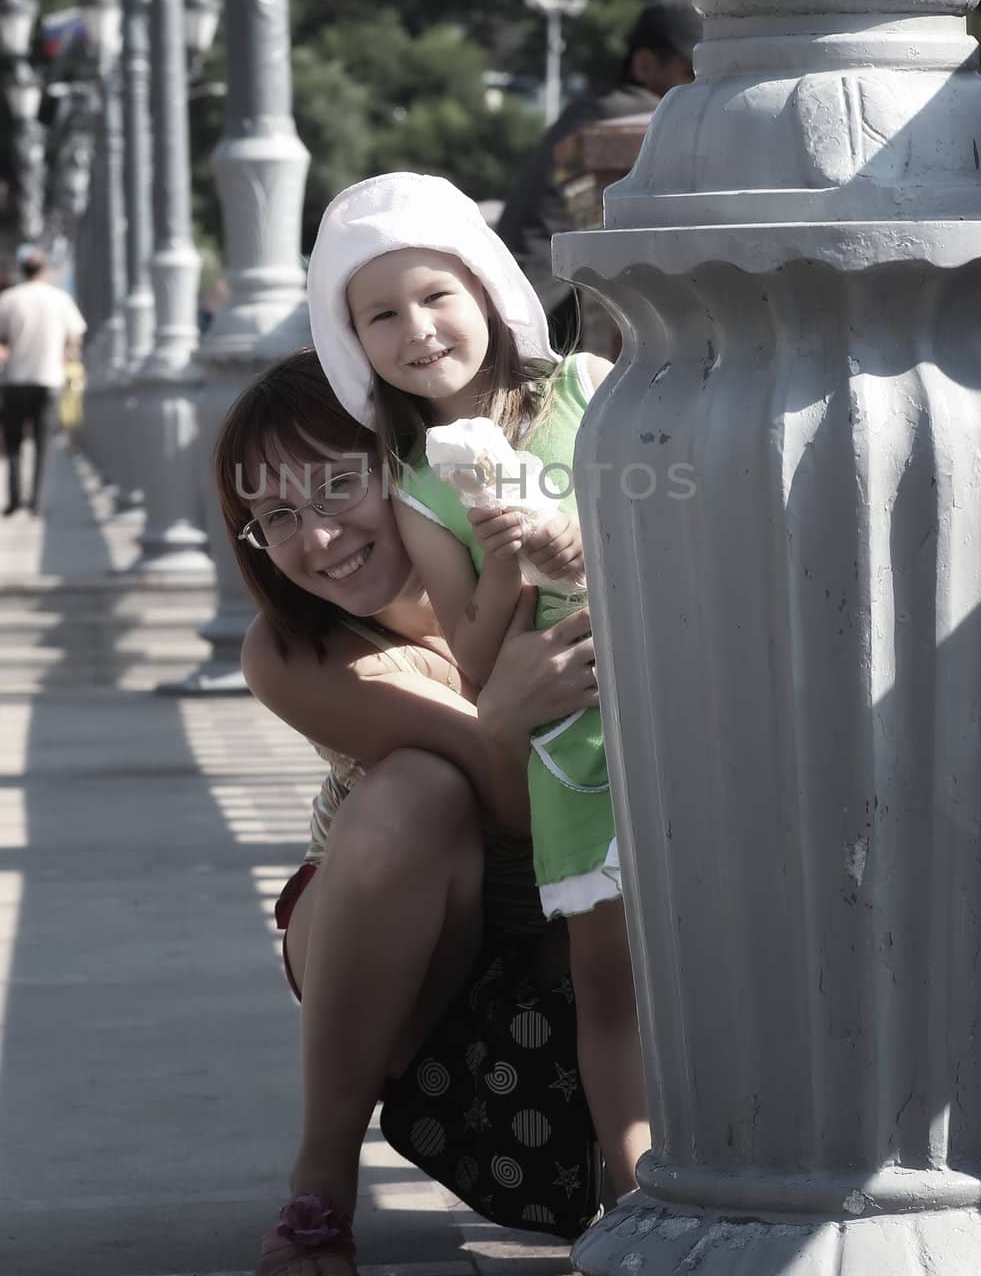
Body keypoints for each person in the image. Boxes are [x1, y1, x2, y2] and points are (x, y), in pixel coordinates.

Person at [214, 350, 609, 1276]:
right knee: (419, 790)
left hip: (567, 945)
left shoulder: (539, 567)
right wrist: (506, 713)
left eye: (335, 488)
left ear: (408, 462)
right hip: (402, 954)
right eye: (274, 517)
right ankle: (320, 1180)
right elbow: (510, 802)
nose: (315, 540)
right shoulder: (295, 650)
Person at [306, 173, 647, 1205]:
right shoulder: (415, 484)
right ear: (352, 342)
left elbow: (670, 518)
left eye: (433, 296)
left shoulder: (592, 388)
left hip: (671, 710)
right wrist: (504, 564)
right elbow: (469, 647)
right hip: (569, 750)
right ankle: (638, 1193)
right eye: (379, 315)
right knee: (611, 984)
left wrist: (584, 534)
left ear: (487, 292)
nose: (415, 330)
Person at [496, 0, 701, 349]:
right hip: (550, 310)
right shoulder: (631, 117)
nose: (700, 90)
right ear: (645, 65)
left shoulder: (597, 108)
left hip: (531, 299)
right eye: (689, 75)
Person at [0, 249, 86, 516]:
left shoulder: (8, 299)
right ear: (44, 270)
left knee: (13, 442)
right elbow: (75, 337)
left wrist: (8, 354)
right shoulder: (60, 299)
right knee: (44, 443)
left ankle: (14, 498)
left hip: (15, 379)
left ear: (22, 270)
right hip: (49, 378)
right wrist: (65, 355)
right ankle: (38, 502)